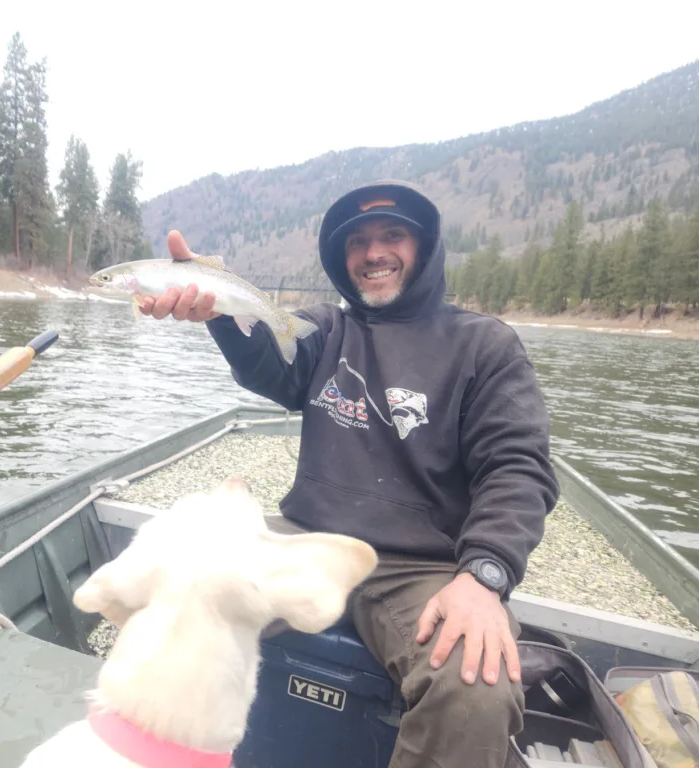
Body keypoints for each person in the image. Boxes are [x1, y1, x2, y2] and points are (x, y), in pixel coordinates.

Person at [136, 179, 560, 768]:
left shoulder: (485, 346)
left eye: (393, 235)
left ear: (426, 246)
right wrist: (219, 313)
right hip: (306, 538)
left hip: (423, 567)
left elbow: (519, 468)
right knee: (172, 581)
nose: (374, 252)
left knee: (475, 687)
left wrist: (485, 576)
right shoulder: (325, 331)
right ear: (342, 259)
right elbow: (271, 365)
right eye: (357, 241)